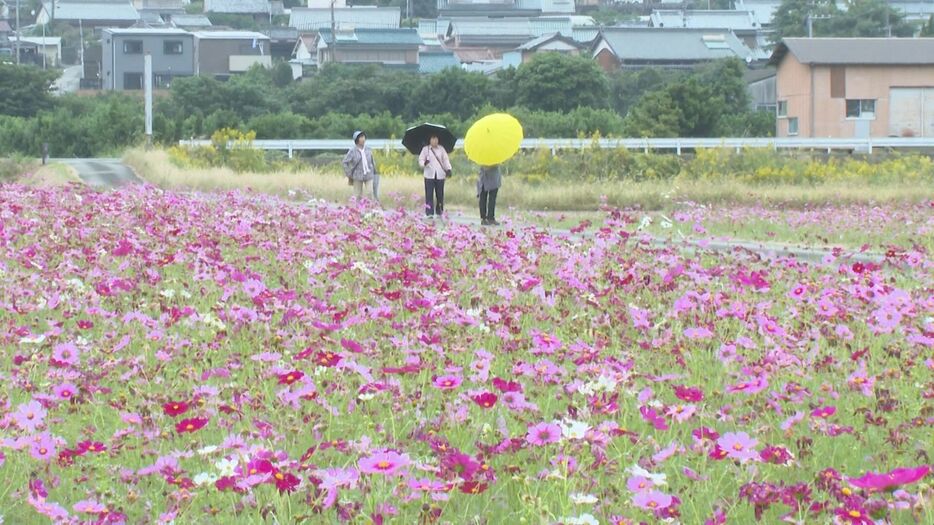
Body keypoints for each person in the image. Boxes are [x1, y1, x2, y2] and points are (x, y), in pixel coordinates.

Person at [418, 135, 452, 218]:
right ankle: (429, 212)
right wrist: (424, 163)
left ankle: (439, 211)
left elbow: (445, 159)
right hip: (429, 175)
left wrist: (449, 168)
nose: (435, 141)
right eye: (433, 139)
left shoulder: (441, 149)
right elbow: (421, 159)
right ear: (430, 140)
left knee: (440, 194)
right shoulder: (426, 149)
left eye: (436, 139)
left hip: (440, 174)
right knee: (429, 194)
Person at [342, 131, 378, 202]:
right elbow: (345, 162)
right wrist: (348, 173)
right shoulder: (352, 151)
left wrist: (374, 171)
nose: (363, 139)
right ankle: (358, 210)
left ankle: (370, 209)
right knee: (357, 195)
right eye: (361, 137)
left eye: (364, 137)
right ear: (357, 139)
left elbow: (372, 160)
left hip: (369, 174)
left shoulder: (368, 149)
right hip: (357, 175)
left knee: (370, 193)